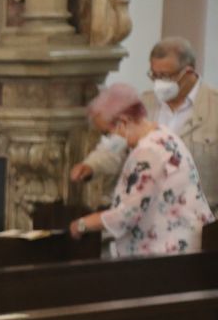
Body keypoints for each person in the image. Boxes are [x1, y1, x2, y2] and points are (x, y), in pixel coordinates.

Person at [72, 37, 217, 211]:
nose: (159, 82)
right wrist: (92, 165)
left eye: (165, 76)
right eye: (154, 75)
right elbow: (116, 144)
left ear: (188, 72)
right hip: (147, 214)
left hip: (200, 215)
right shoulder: (144, 104)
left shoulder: (213, 108)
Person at [69, 83, 213, 256]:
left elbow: (128, 214)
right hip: (181, 246)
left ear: (123, 122)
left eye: (106, 133)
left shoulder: (148, 152)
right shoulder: (163, 135)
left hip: (166, 255)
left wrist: (83, 224)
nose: (106, 141)